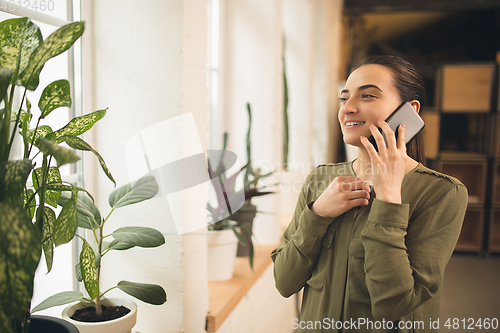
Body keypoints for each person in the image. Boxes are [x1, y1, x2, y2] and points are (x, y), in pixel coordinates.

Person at [271, 55, 468, 332]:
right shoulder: (320, 179)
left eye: (367, 96)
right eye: (344, 98)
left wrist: (388, 197)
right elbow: (284, 281)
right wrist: (317, 215)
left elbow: (394, 306)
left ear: (410, 110)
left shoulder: (442, 193)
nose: (347, 109)